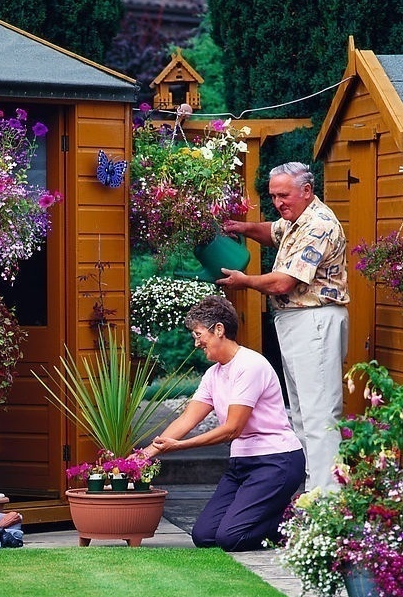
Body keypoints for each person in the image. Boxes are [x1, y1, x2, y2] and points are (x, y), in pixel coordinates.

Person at [219, 161, 348, 493]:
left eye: (284, 195)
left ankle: (326, 498)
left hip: (315, 320)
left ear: (306, 191)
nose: (278, 203)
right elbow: (272, 231)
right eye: (274, 196)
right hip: (297, 322)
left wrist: (245, 281)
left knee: (319, 414)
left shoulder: (318, 225)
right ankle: (310, 490)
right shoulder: (296, 220)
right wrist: (241, 228)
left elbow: (284, 283)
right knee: (302, 414)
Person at [143, 295, 305, 551]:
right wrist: (148, 453)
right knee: (204, 536)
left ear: (219, 329)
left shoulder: (250, 365)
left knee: (231, 538)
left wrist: (179, 447)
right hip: (242, 464)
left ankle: (294, 521)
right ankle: (272, 512)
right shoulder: (213, 374)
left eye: (198, 334)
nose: (196, 343)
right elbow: (187, 417)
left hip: (276, 461)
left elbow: (233, 428)